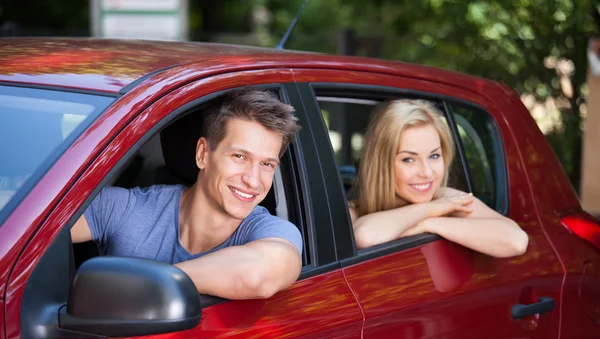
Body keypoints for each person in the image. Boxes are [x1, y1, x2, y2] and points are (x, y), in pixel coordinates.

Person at [71, 89, 303, 300]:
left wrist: (135, 290)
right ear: (203, 154)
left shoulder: (272, 231)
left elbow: (256, 275)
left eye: (267, 164)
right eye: (239, 157)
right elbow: (38, 225)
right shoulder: (124, 207)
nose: (253, 180)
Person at [349, 99, 528, 257]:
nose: (427, 172)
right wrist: (429, 209)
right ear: (382, 164)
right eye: (409, 159)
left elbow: (516, 240)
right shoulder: (354, 211)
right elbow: (364, 236)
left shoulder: (446, 200)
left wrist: (428, 223)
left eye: (434, 156)